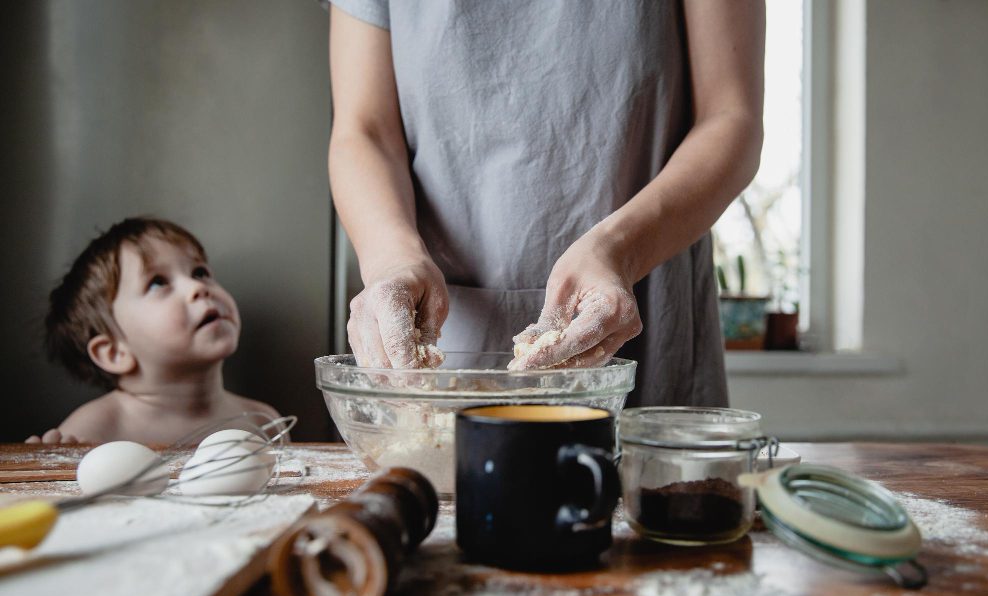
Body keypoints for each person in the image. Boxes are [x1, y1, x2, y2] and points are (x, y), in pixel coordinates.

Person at [327, 0, 764, 407]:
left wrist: (619, 251)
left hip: (650, 307)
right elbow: (364, 130)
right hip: (453, 330)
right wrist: (392, 261)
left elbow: (730, 119)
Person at [26, 217, 278, 444]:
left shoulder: (263, 422)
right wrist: (53, 465)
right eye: (158, 283)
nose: (197, 287)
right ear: (114, 351)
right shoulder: (94, 430)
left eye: (200, 272)